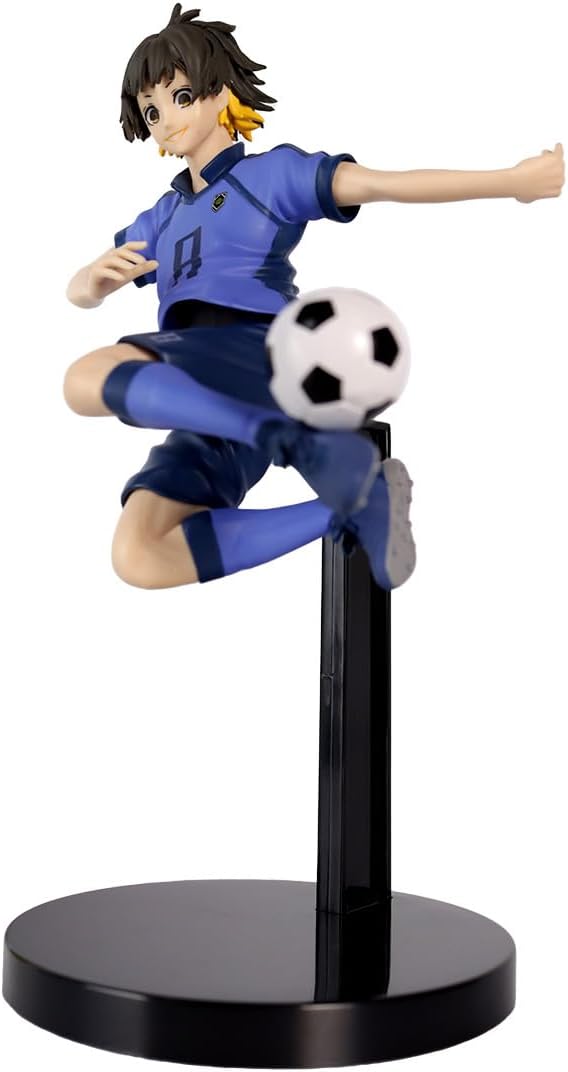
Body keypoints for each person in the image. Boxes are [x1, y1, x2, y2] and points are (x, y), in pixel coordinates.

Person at [63, 4, 564, 591]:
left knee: (83, 381)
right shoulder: (163, 215)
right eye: (151, 111)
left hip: (253, 351)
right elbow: (80, 291)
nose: (165, 120)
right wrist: (90, 282)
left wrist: (512, 181)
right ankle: (351, 506)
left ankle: (285, 437)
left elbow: (381, 185)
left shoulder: (268, 177)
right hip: (203, 396)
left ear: (221, 93)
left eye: (180, 97)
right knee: (139, 554)